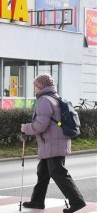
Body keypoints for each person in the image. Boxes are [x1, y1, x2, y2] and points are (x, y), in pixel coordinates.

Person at [21, 74, 86, 213]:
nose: (34, 89)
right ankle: (37, 201)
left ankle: (77, 201)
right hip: (54, 142)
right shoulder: (55, 98)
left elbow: (40, 125)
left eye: (36, 86)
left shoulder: (44, 100)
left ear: (41, 86)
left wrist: (26, 128)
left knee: (58, 173)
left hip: (52, 143)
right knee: (43, 172)